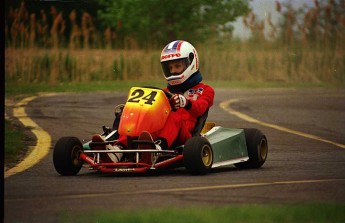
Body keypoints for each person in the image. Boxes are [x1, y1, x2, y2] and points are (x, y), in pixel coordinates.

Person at [92, 40, 215, 162]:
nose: (173, 71)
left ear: (191, 62)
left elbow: (200, 108)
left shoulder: (205, 90)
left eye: (177, 66)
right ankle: (118, 150)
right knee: (139, 113)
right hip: (160, 132)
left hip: (187, 137)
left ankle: (156, 150)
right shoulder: (164, 92)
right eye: (170, 67)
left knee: (174, 116)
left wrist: (186, 103)